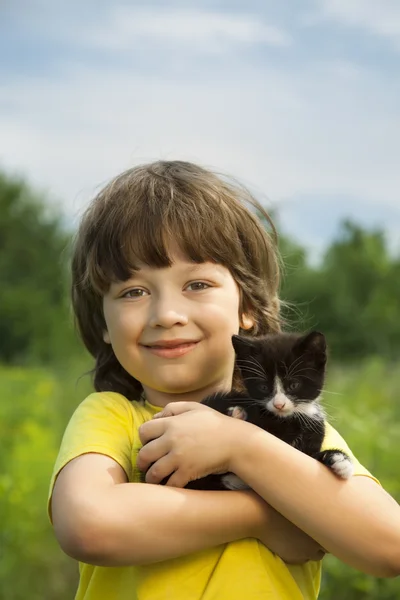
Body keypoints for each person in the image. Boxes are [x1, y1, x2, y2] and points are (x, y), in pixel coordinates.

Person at [48, 160, 400, 600]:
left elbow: (390, 546)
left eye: (196, 284)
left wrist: (240, 445)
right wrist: (263, 517)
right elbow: (89, 526)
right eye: (133, 292)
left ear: (246, 307)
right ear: (103, 321)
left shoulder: (293, 425)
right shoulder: (112, 416)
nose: (167, 315)